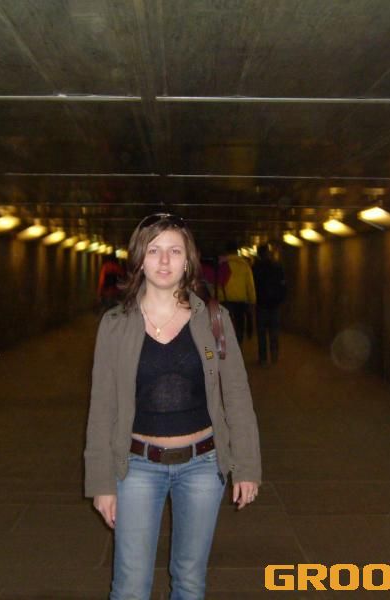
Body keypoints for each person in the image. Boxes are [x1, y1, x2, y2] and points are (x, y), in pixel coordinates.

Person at [84, 213, 262, 600]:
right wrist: (101, 482)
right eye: (154, 251)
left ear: (188, 260)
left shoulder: (214, 320)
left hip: (203, 465)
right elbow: (102, 408)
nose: (164, 261)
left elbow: (236, 394)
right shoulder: (115, 324)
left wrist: (246, 466)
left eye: (174, 251)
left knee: (190, 580)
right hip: (136, 466)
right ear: (139, 260)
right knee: (130, 586)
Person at [252, 245, 287, 365]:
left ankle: (263, 358)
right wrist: (281, 299)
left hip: (261, 304)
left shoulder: (255, 268)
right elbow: (283, 285)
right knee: (274, 331)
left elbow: (253, 286)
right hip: (274, 304)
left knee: (262, 333)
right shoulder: (277, 267)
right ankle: (274, 355)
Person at [217, 241, 256, 345]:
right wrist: (252, 300)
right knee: (239, 327)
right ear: (237, 251)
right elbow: (249, 284)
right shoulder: (244, 265)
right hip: (240, 302)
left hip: (224, 301)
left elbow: (216, 283)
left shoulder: (221, 264)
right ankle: (238, 348)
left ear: (226, 251)